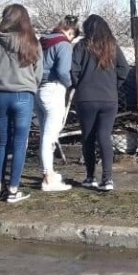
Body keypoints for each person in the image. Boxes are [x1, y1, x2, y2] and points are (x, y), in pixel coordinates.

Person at [0, 3, 42, 203]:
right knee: (19, 145)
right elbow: (38, 72)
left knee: (2, 142)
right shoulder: (31, 41)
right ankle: (13, 190)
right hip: (22, 96)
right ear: (24, 19)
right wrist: (29, 86)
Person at [70, 14, 128, 192]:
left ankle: (90, 177)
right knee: (104, 135)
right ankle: (107, 178)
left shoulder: (81, 45)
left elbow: (73, 70)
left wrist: (78, 85)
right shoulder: (113, 47)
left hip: (86, 98)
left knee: (88, 137)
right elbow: (124, 69)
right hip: (109, 98)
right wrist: (113, 85)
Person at [37, 15, 78, 192]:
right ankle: (48, 178)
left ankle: (49, 171)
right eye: (72, 37)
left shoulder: (43, 40)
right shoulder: (63, 44)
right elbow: (62, 71)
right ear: (70, 31)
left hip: (38, 88)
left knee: (44, 132)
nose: (71, 40)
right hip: (54, 89)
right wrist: (71, 84)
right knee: (50, 135)